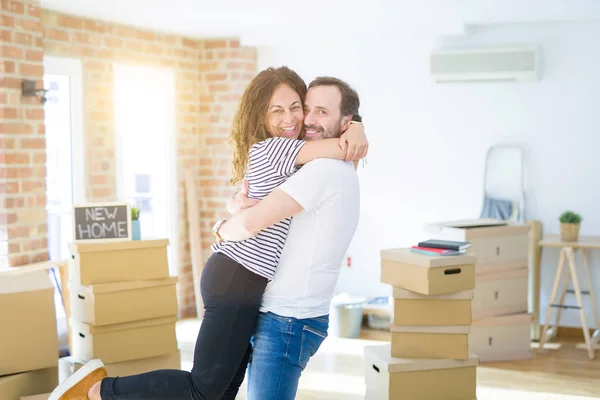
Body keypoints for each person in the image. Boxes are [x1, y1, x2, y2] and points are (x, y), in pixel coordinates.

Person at [48, 67, 367, 400]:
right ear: (261, 115)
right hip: (236, 277)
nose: (295, 118)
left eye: (297, 107)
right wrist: (355, 129)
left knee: (222, 390)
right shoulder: (279, 150)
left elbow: (340, 161)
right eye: (278, 109)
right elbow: (343, 149)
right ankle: (98, 392)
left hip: (247, 282)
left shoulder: (302, 160)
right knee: (203, 388)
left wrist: (354, 123)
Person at [219, 76, 363, 400]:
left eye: (322, 112)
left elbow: (248, 224)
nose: (308, 120)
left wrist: (220, 229)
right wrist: (236, 201)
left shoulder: (324, 169)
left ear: (345, 122)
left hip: (287, 320)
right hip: (288, 315)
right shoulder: (329, 164)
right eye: (306, 108)